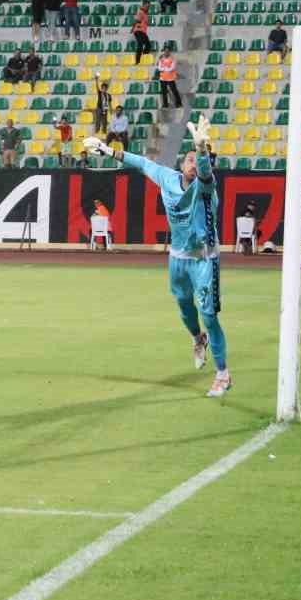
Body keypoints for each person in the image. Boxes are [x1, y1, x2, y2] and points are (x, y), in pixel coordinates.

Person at [96, 116, 231, 396]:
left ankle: (222, 374)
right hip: (178, 257)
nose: (194, 164)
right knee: (184, 307)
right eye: (190, 159)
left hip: (204, 258)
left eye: (198, 160)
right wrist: (109, 151)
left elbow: (205, 173)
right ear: (182, 165)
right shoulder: (168, 179)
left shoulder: (205, 188)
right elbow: (143, 163)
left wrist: (203, 149)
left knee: (209, 314)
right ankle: (197, 340)